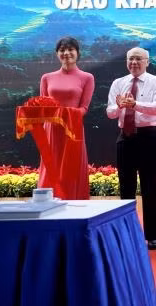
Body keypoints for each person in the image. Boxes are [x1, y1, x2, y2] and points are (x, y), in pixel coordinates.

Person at [106, 47, 156, 250]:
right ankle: (127, 235)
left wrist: (135, 105)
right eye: (130, 59)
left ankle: (152, 236)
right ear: (126, 61)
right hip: (125, 137)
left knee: (150, 186)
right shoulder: (118, 83)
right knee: (126, 187)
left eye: (138, 59)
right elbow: (110, 113)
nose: (134, 62)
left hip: (148, 136)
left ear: (147, 62)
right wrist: (120, 106)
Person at [38, 36, 94, 200]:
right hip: (51, 131)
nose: (66, 53)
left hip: (73, 130)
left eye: (70, 49)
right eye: (62, 50)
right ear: (57, 54)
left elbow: (84, 108)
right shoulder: (46, 77)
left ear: (77, 53)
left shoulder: (87, 77)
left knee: (72, 170)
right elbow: (42, 106)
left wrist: (66, 114)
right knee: (51, 168)